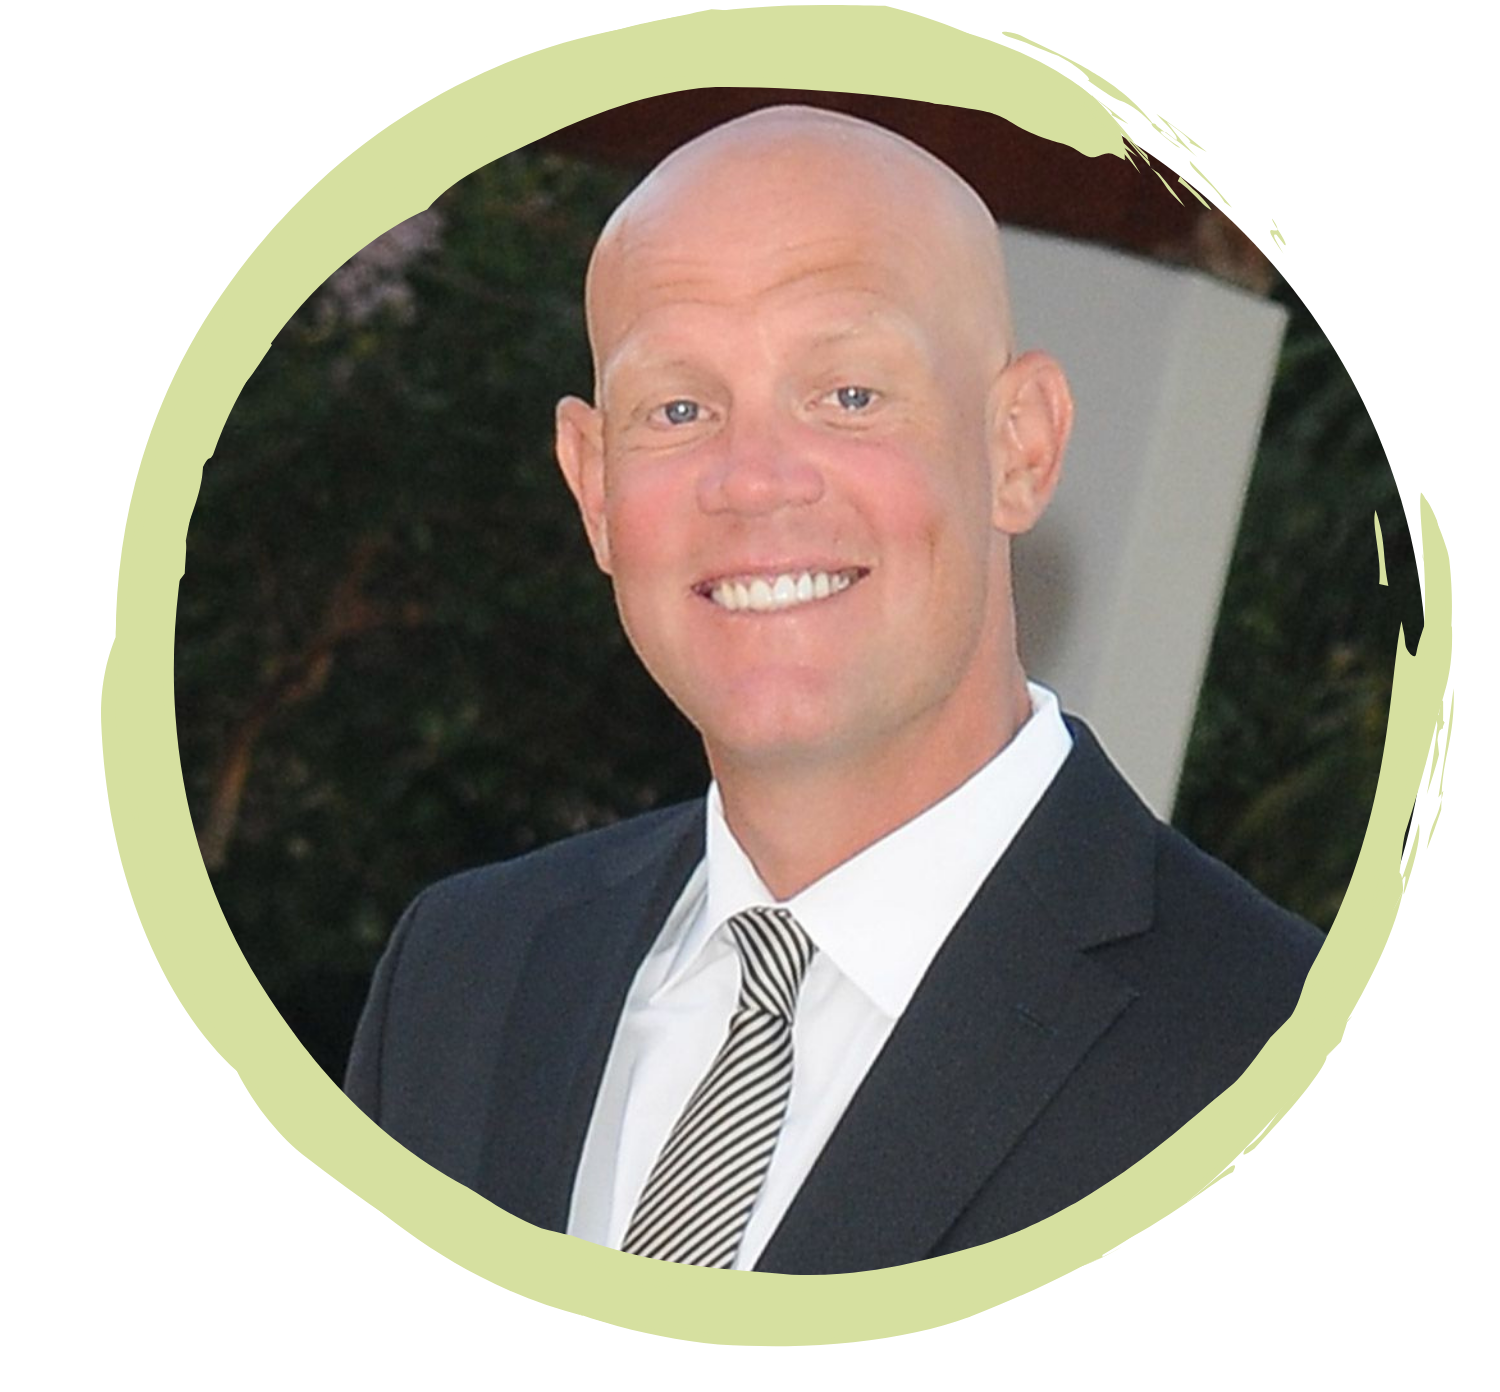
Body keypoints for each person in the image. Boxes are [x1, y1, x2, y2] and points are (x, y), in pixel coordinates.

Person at [344, 105, 1323, 1275]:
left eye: (849, 394)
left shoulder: (1291, 1072)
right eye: (680, 409)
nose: (753, 481)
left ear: (1019, 445)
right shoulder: (461, 981)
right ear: (593, 486)